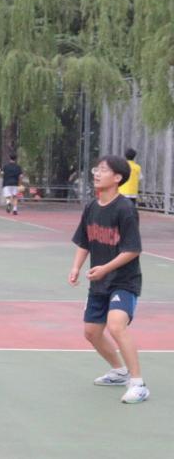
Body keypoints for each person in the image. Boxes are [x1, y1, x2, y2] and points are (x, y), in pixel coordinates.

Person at [68, 155, 149, 404]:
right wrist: (76, 267)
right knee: (91, 332)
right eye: (97, 169)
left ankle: (138, 383)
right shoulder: (92, 207)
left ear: (117, 178)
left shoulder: (125, 209)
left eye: (103, 170)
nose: (96, 173)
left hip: (124, 280)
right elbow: (84, 241)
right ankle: (119, 371)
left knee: (115, 326)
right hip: (99, 283)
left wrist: (105, 269)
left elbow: (132, 249)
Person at [119, 148, 141, 215]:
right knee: (131, 210)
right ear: (134, 156)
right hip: (133, 192)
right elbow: (140, 178)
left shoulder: (122, 165)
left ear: (125, 156)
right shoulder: (137, 167)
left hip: (122, 191)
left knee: (122, 210)